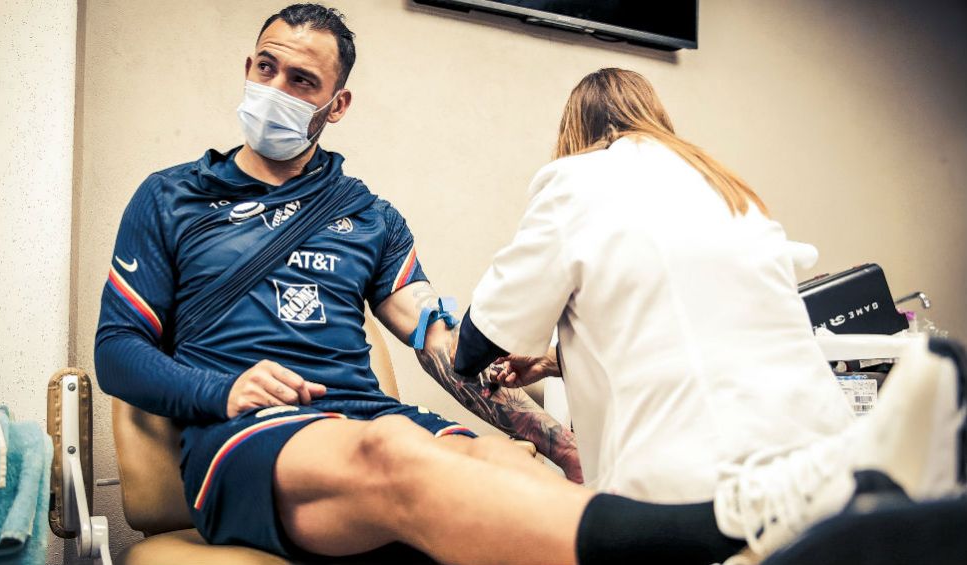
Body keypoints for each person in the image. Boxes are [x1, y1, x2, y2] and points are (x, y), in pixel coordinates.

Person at [95, 3, 963, 563]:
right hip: (250, 438)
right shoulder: (172, 198)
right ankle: (734, 522)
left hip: (367, 414)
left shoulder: (365, 214)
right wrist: (221, 388)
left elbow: (445, 344)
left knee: (503, 466)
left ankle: (816, 529)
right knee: (391, 454)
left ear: (337, 103)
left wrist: (550, 438)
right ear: (249, 65)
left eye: (301, 81)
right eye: (265, 68)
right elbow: (117, 351)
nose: (275, 90)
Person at [452, 67, 967, 559]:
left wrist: (482, 339)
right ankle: (868, 475)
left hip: (693, 484)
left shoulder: (574, 183)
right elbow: (687, 324)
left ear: (575, 133)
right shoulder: (726, 188)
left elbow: (476, 346)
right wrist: (554, 360)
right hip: (816, 443)